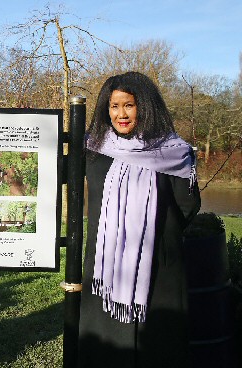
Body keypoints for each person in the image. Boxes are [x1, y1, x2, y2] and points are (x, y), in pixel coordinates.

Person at [78, 71, 201, 367]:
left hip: (159, 268)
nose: (121, 114)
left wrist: (151, 236)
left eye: (129, 105)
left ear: (145, 107)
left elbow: (188, 205)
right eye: (114, 106)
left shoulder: (173, 152)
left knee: (158, 352)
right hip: (104, 270)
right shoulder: (94, 149)